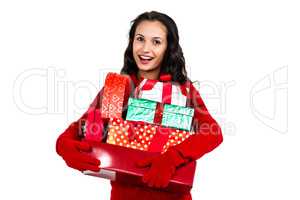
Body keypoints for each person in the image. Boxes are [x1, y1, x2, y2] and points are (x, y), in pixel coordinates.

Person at [56, 11, 223, 200]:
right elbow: (86, 126)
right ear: (131, 42)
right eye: (140, 39)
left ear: (169, 48)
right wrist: (63, 144)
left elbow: (212, 133)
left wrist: (173, 157)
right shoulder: (120, 86)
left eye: (156, 42)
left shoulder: (183, 90)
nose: (145, 49)